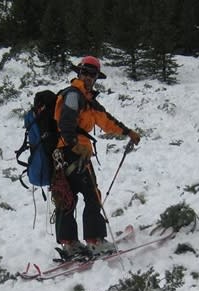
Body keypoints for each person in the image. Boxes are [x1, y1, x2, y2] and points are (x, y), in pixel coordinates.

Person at [52, 55, 141, 259]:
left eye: (93, 75)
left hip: (65, 154)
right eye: (86, 73)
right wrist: (75, 146)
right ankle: (95, 241)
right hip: (73, 153)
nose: (90, 78)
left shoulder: (88, 100)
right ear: (79, 72)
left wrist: (127, 132)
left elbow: (106, 120)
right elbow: (65, 123)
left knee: (67, 198)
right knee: (91, 195)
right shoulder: (74, 95)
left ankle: (70, 244)